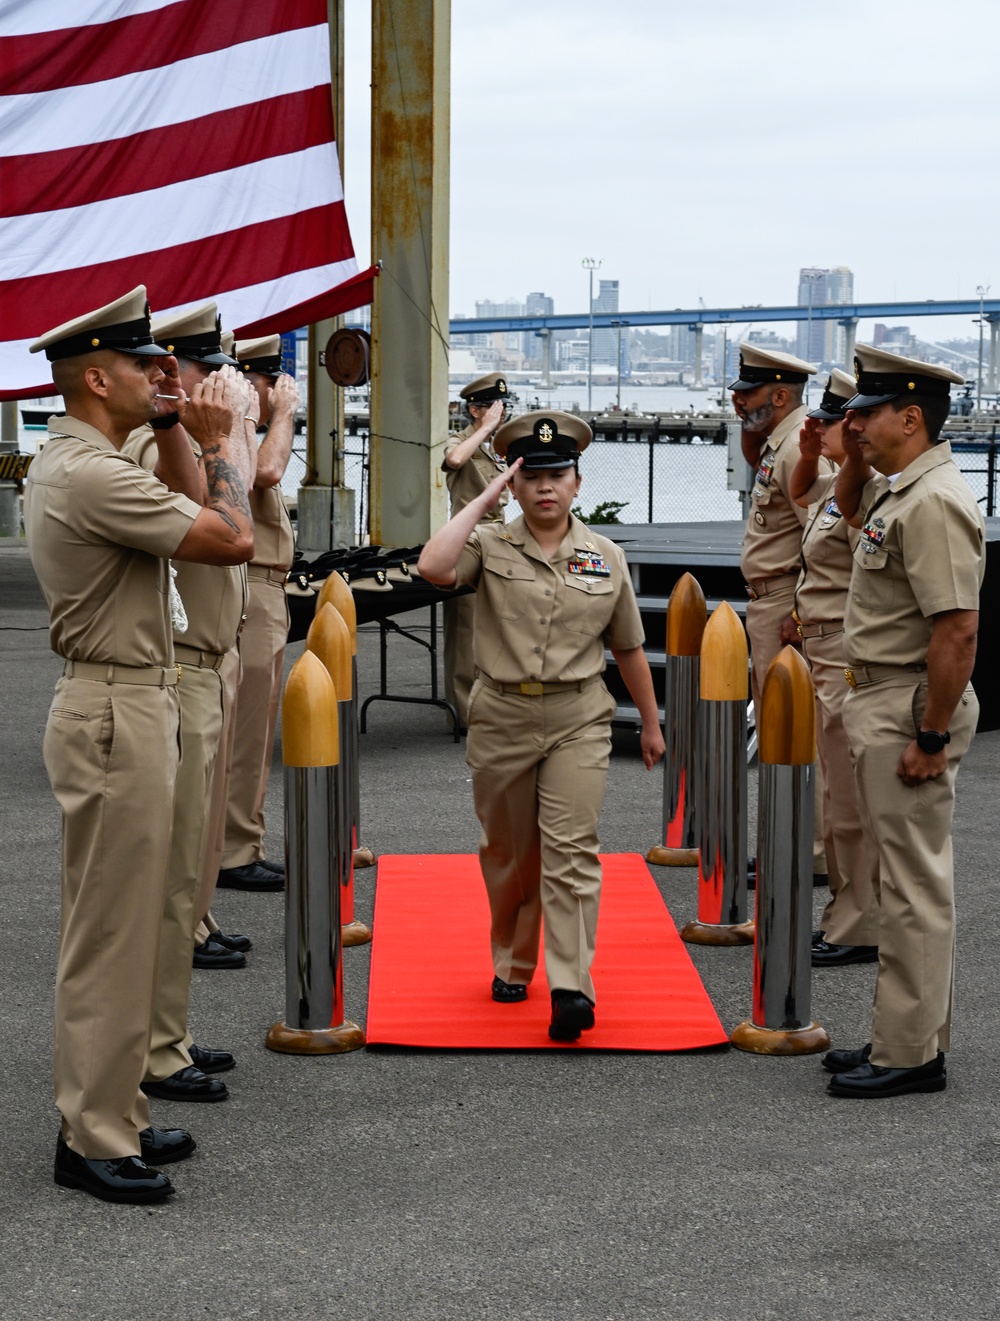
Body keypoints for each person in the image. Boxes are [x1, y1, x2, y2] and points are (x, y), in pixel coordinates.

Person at [24, 287, 254, 1203]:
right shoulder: (88, 472)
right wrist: (211, 438)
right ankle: (89, 1134)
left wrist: (171, 431)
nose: (160, 374)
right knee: (111, 932)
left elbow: (188, 506)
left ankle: (114, 1106)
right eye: (139, 365)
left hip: (134, 702)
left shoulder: (100, 456)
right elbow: (228, 535)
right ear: (93, 377)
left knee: (131, 918)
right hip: (114, 708)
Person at [418, 411, 664, 1042]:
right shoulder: (490, 545)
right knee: (510, 855)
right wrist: (487, 500)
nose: (547, 487)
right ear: (517, 484)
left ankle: (571, 987)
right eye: (533, 477)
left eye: (559, 475)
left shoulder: (604, 556)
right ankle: (513, 959)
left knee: (571, 851)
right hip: (501, 714)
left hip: (578, 716)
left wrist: (655, 726)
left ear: (578, 483)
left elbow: (629, 648)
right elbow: (433, 568)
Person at [823, 345, 983, 1099]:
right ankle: (906, 1036)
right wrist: (857, 451)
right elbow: (845, 512)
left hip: (910, 704)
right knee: (901, 879)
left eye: (866, 411)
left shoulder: (934, 501)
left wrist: (931, 733)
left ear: (910, 417)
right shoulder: (898, 493)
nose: (851, 423)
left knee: (913, 887)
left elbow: (957, 629)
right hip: (882, 698)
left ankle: (911, 1055)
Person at [123, 302, 255, 1105]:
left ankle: (167, 1034)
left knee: (188, 875)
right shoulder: (156, 445)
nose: (225, 386)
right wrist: (219, 429)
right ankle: (154, 1047)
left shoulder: (200, 431)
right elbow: (224, 506)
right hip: (181, 669)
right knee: (170, 881)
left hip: (214, 660)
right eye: (214, 371)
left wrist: (228, 423)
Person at [787, 370, 880, 967]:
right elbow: (800, 495)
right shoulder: (832, 488)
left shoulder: (862, 496)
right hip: (821, 650)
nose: (815, 429)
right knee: (833, 793)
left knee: (848, 801)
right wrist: (810, 449)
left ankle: (859, 922)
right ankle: (848, 915)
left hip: (844, 652)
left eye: (830, 422)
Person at [731, 343, 829, 883]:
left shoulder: (795, 447)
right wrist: (752, 420)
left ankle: (806, 853)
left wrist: (798, 606)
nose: (736, 399)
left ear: (781, 394)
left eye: (748, 392)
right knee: (778, 730)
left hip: (784, 605)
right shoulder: (781, 441)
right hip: (768, 602)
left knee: (793, 733)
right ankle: (786, 843)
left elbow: (820, 534)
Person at [217, 334, 299, 893]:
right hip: (250, 590)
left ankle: (240, 840)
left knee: (252, 726)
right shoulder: (241, 423)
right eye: (277, 381)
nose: (283, 391)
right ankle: (233, 849)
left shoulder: (246, 423)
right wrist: (284, 415)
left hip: (265, 586)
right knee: (244, 731)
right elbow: (265, 475)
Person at [441, 372, 511, 730]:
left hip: (500, 540)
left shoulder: (495, 447)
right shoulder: (464, 440)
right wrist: (485, 429)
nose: (501, 414)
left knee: (499, 628)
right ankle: (465, 711)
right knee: (465, 628)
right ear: (474, 409)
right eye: (494, 408)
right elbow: (453, 460)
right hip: (468, 541)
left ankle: (495, 704)